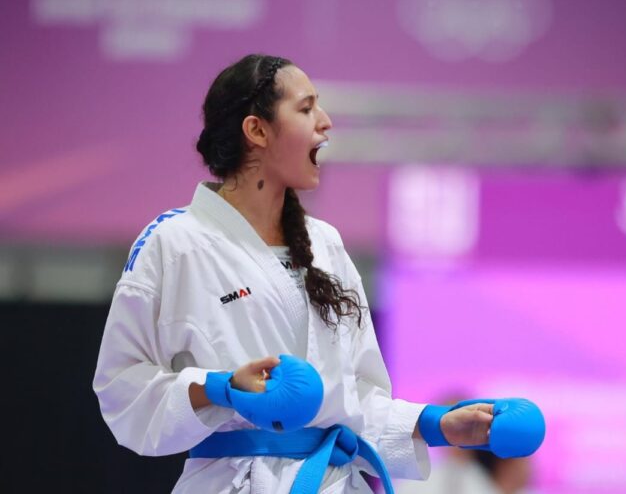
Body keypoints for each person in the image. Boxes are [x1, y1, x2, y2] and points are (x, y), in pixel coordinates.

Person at [92, 54, 498, 494]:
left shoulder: (325, 243)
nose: (325, 122)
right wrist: (220, 388)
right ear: (257, 130)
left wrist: (436, 424)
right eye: (306, 108)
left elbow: (357, 399)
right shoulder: (175, 242)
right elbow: (122, 388)